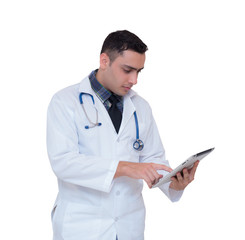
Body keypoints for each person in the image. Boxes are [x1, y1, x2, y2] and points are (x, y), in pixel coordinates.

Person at [47, 30, 199, 240]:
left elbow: (152, 161)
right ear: (104, 60)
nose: (134, 79)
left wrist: (173, 183)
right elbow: (63, 162)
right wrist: (125, 167)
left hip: (129, 226)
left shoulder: (141, 107)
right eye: (127, 70)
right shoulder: (65, 102)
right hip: (82, 227)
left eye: (139, 71)